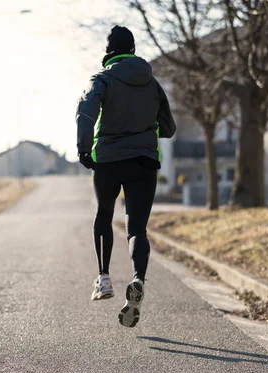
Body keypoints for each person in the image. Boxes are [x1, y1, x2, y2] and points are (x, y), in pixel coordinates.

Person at [75, 25, 176, 327]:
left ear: (108, 52)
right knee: (137, 229)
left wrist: (84, 149)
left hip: (108, 159)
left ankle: (103, 278)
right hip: (144, 161)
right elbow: (169, 128)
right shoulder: (152, 83)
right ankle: (138, 279)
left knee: (104, 214)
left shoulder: (102, 80)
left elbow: (86, 113)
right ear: (132, 49)